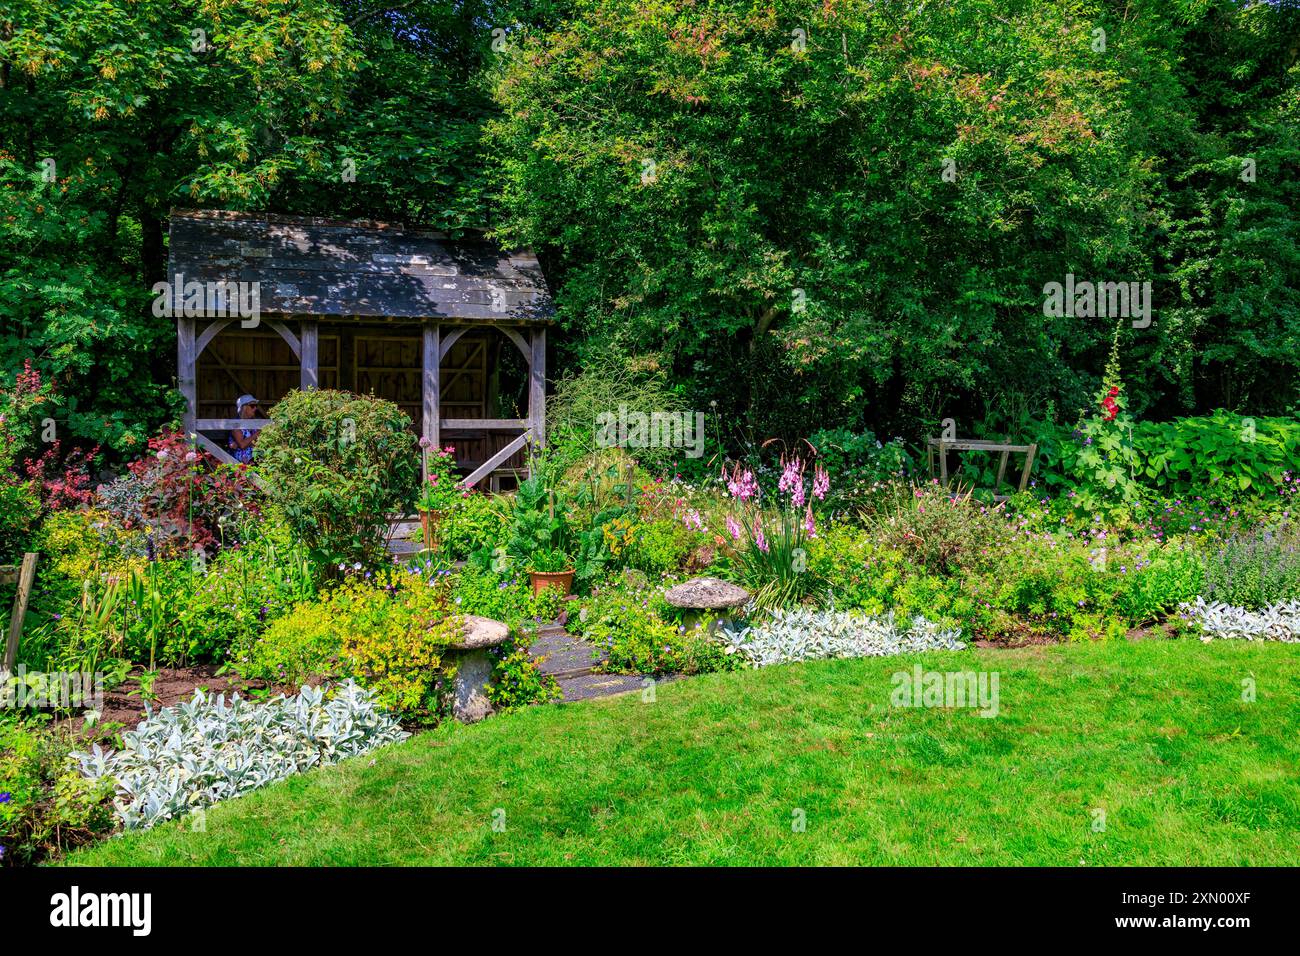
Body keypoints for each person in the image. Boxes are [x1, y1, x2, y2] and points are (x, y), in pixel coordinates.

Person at [229, 394, 260, 464]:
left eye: (256, 406)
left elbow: (259, 442)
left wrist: (247, 442)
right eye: (252, 406)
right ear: (244, 407)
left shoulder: (254, 422)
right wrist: (257, 434)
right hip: (238, 465)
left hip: (255, 462)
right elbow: (243, 445)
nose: (255, 408)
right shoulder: (236, 423)